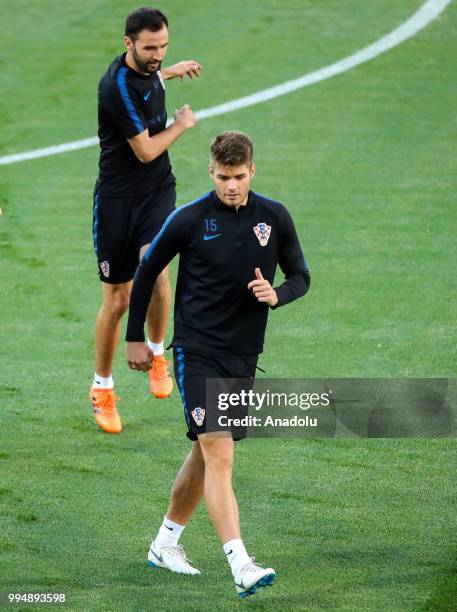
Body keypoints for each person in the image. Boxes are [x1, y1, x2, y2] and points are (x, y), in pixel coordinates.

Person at [125, 131, 310, 597]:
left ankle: (164, 544)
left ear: (253, 171)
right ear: (211, 171)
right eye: (224, 177)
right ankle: (241, 564)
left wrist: (278, 294)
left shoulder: (274, 217)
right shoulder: (189, 219)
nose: (232, 185)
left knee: (205, 452)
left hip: (244, 354)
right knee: (219, 451)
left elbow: (301, 275)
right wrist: (136, 339)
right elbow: (147, 270)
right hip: (197, 351)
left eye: (240, 176)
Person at [91, 7, 202, 434]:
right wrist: (181, 124)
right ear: (128, 44)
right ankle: (102, 387)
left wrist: (172, 70)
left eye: (164, 47)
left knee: (154, 267)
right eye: (150, 48)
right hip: (117, 202)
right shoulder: (116, 87)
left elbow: (151, 77)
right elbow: (146, 151)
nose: (157, 55)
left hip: (158, 192)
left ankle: (157, 353)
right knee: (117, 302)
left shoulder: (148, 68)